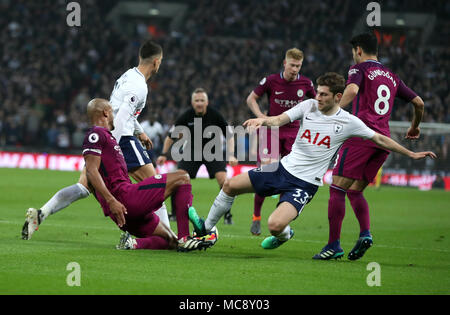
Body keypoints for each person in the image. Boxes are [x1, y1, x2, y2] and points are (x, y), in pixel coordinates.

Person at [188, 72, 436, 253]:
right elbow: (280, 119)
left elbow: (381, 138)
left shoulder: (348, 122)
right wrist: (261, 120)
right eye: (317, 92)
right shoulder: (308, 105)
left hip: (304, 185)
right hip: (282, 169)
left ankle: (285, 234)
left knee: (274, 225)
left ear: (338, 97)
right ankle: (207, 230)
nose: (318, 97)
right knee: (230, 185)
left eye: (324, 94)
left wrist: (411, 154)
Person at [22, 40, 171, 240]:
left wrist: (140, 131)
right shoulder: (139, 87)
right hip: (121, 140)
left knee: (84, 187)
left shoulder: (127, 76)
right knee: (156, 188)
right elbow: (119, 119)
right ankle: (168, 238)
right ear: (156, 62)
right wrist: (112, 147)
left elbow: (120, 111)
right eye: (160, 61)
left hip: (109, 137)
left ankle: (41, 213)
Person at [314, 33, 426, 260]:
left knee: (337, 189)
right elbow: (419, 102)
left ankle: (333, 245)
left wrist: (330, 112)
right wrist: (414, 127)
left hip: (360, 135)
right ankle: (365, 234)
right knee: (355, 191)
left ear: (358, 50)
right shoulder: (392, 76)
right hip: (383, 141)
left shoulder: (359, 69)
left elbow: (353, 90)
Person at [82, 98, 212, 251]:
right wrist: (111, 201)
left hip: (122, 211)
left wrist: (110, 208)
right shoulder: (96, 134)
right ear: (106, 112)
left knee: (170, 241)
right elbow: (91, 172)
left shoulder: (109, 137)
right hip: (125, 198)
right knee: (183, 177)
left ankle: (134, 244)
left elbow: (92, 181)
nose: (114, 116)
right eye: (112, 112)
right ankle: (185, 237)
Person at [246, 47, 316, 235]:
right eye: (292, 65)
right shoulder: (271, 81)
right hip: (272, 131)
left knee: (292, 176)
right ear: (285, 63)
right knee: (265, 173)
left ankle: (282, 217)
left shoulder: (306, 83)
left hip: (294, 133)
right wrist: (261, 117)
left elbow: (318, 105)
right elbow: (251, 99)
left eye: (298, 66)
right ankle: (256, 217)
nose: (295, 69)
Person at [156, 88, 238, 224]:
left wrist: (231, 154)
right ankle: (174, 214)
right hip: (191, 151)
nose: (199, 103)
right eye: (197, 100)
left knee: (224, 182)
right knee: (177, 179)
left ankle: (227, 216)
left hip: (213, 151)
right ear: (192, 103)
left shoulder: (215, 115)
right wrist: (164, 154)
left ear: (207, 102)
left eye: (202, 100)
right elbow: (171, 136)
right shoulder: (186, 116)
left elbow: (229, 135)